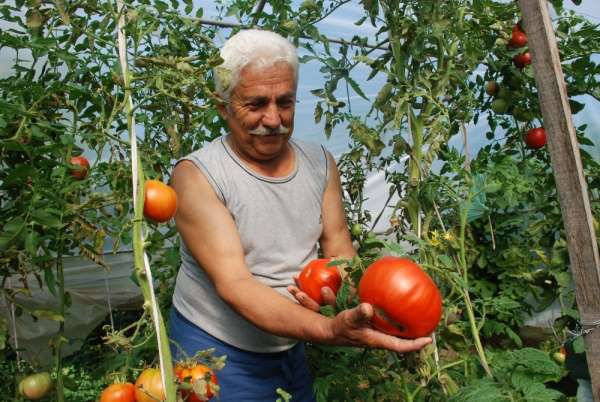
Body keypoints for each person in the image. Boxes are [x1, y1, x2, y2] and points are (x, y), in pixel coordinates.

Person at [168, 29, 432, 402]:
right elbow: (236, 285)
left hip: (291, 342)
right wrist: (328, 330)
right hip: (216, 351)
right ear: (223, 107)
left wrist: (378, 312)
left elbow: (339, 250)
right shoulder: (196, 176)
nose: (274, 119)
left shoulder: (319, 163)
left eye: (285, 102)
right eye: (256, 104)